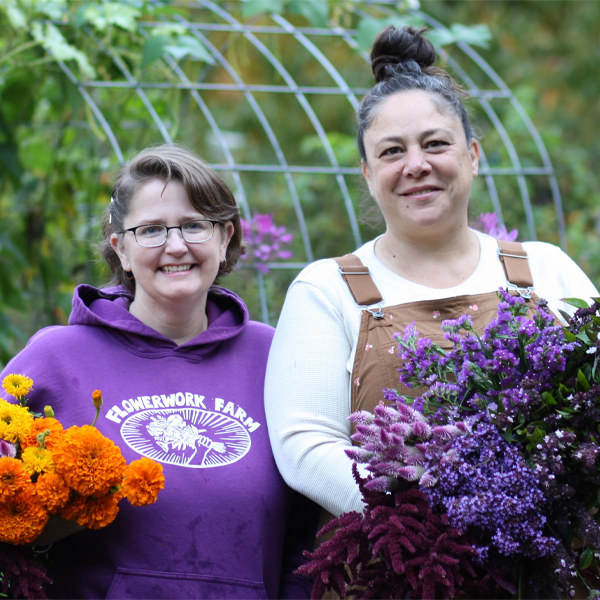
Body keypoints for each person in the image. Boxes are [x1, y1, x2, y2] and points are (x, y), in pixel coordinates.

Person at [264, 26, 599, 521]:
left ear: (473, 156)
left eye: (435, 144)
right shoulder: (327, 290)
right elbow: (305, 447)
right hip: (401, 566)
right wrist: (436, 522)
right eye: (392, 151)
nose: (416, 165)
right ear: (367, 173)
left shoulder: (546, 270)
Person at [0, 145, 316, 599]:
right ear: (121, 250)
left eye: (194, 225)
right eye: (150, 230)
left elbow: (306, 534)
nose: (175, 246)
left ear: (224, 238)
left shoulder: (273, 356)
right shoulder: (56, 357)